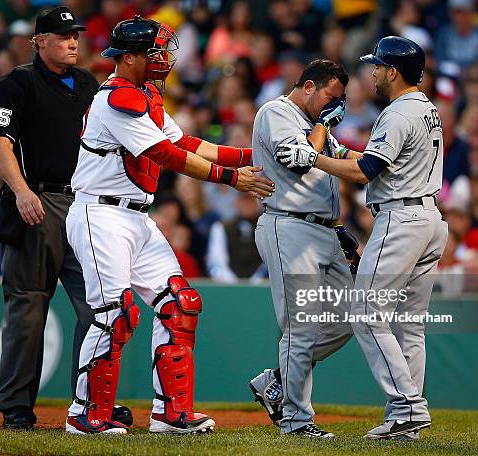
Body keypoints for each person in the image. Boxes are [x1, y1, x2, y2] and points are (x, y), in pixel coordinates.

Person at [65, 16, 273, 435]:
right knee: (115, 315)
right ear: (129, 57)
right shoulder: (116, 99)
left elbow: (189, 143)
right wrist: (233, 178)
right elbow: (166, 156)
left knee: (180, 305)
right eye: (155, 51)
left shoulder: (145, 96)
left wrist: (256, 154)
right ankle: (84, 414)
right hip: (99, 214)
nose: (164, 58)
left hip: (135, 215)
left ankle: (169, 413)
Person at [276, 36, 448, 440]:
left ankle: (407, 406)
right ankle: (404, 421)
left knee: (365, 312)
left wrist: (315, 158)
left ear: (392, 71)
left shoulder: (397, 113)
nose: (371, 73)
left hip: (401, 219)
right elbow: (379, 163)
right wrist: (339, 152)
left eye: (377, 66)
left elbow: (366, 174)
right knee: (408, 325)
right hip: (429, 218)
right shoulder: (426, 109)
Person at [0, 7, 132, 430]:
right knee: (28, 309)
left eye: (75, 35)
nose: (72, 42)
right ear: (39, 40)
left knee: (99, 308)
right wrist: (22, 190)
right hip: (37, 202)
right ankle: (15, 408)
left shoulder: (87, 82)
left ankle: (89, 403)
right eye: (63, 35)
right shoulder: (17, 83)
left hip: (85, 207)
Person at [248, 59, 358, 438]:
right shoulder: (276, 112)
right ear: (309, 86)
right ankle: (296, 420)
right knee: (301, 327)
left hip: (325, 229)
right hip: (289, 224)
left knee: (352, 317)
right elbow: (298, 161)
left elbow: (340, 158)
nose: (335, 105)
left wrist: (381, 161)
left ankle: (276, 381)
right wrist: (323, 125)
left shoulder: (315, 124)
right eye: (332, 96)